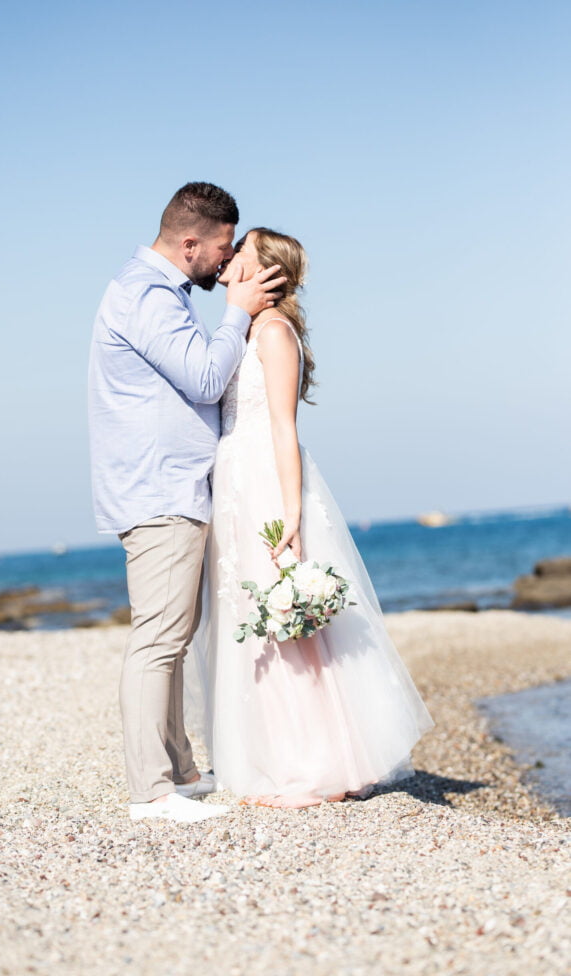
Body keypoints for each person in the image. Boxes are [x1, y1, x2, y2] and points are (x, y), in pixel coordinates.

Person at [187, 228, 434, 807]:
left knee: (282, 623)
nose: (229, 256)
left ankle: (309, 762)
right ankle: (266, 755)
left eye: (241, 250)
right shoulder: (243, 329)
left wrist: (290, 513)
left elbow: (283, 428)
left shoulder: (275, 333)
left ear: (265, 270)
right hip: (233, 483)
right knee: (245, 616)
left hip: (264, 484)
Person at [88, 184, 286, 823]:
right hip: (160, 491)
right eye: (224, 248)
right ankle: (152, 792)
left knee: (171, 636)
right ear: (191, 242)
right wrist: (238, 313)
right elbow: (204, 378)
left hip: (170, 488)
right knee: (158, 639)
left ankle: (179, 772)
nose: (226, 261)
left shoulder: (155, 292)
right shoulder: (147, 294)